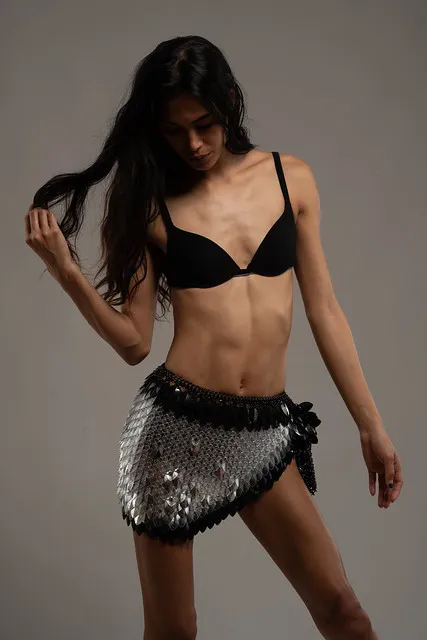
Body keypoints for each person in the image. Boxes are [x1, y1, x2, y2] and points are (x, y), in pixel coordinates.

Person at [25, 35, 403, 640]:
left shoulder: (290, 178)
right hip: (174, 434)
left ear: (228, 102)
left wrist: (370, 425)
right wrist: (67, 272)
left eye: (204, 124)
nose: (194, 144)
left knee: (343, 614)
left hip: (262, 429)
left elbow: (325, 310)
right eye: (175, 131)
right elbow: (134, 343)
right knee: (174, 632)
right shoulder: (149, 205)